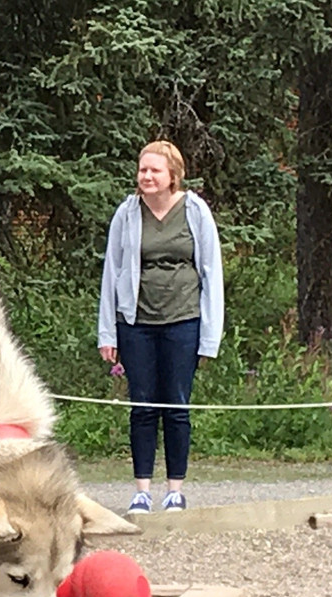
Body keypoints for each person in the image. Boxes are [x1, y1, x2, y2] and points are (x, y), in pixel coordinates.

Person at [97, 140, 224, 514]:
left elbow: (211, 272)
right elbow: (112, 271)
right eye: (142, 169)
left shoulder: (195, 211)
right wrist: (108, 332)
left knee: (176, 407)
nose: (147, 176)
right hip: (136, 324)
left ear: (172, 175)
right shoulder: (127, 213)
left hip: (183, 321)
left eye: (154, 170)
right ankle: (141, 490)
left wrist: (208, 337)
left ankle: (174, 490)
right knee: (142, 407)